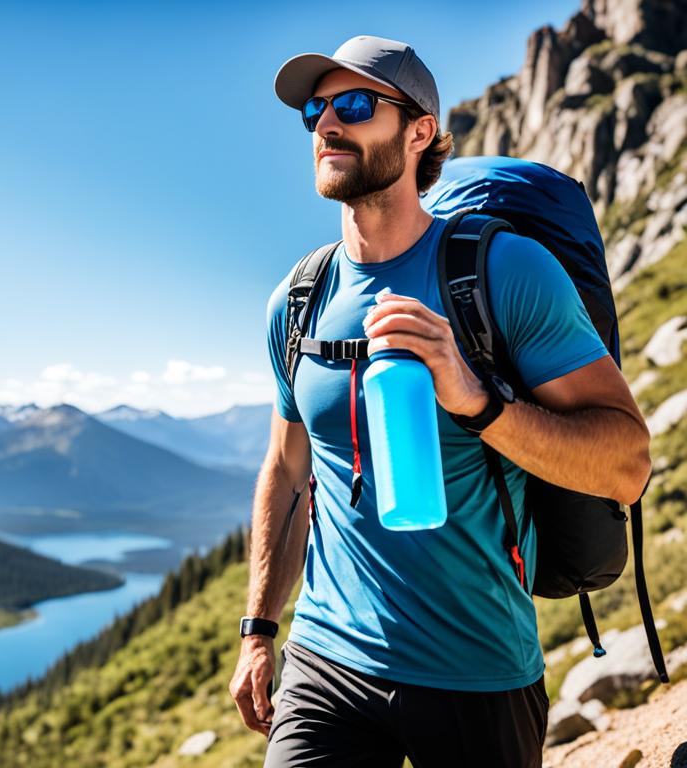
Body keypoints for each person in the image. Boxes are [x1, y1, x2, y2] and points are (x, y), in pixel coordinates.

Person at [227, 35, 652, 768]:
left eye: (355, 106)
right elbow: (287, 470)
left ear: (420, 130)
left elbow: (627, 464)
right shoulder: (297, 301)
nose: (328, 124)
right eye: (315, 110)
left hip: (477, 668)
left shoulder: (503, 272)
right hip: (326, 661)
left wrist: (477, 401)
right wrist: (260, 629)